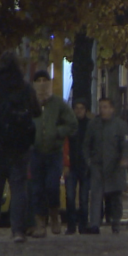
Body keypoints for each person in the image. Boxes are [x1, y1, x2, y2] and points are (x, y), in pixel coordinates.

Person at [0, 51, 42, 243]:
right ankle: (17, 231)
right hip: (20, 146)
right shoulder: (24, 88)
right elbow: (36, 111)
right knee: (18, 188)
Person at [29, 70, 77, 238]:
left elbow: (72, 123)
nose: (42, 83)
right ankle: (40, 222)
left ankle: (54, 215)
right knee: (37, 189)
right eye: (38, 80)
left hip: (54, 152)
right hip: (35, 152)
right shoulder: (30, 103)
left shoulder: (58, 103)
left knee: (52, 186)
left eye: (45, 80)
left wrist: (57, 132)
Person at [83, 98, 128, 234]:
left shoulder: (120, 125)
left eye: (105, 107)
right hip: (97, 164)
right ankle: (95, 224)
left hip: (115, 165)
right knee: (96, 195)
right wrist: (89, 161)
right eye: (101, 107)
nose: (102, 110)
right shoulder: (93, 124)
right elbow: (86, 144)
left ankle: (115, 222)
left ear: (112, 109)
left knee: (115, 195)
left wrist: (124, 158)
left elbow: (126, 144)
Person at [63, 99, 91, 234]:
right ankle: (71, 226)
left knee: (84, 199)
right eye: (76, 108)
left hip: (85, 166)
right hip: (71, 166)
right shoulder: (70, 126)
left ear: (85, 110)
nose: (79, 110)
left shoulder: (90, 126)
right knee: (70, 197)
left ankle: (83, 225)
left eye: (81, 108)